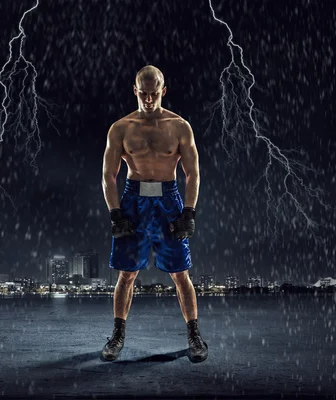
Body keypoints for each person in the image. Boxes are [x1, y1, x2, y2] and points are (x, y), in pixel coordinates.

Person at [101, 65, 208, 363]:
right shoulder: (120, 128)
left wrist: (189, 212)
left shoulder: (179, 126)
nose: (148, 100)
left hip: (168, 198)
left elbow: (193, 173)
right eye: (143, 94)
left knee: (180, 273)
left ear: (164, 90)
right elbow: (108, 175)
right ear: (135, 91)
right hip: (134, 199)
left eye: (154, 93)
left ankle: (194, 334)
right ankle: (117, 335)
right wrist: (115, 213)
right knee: (127, 273)